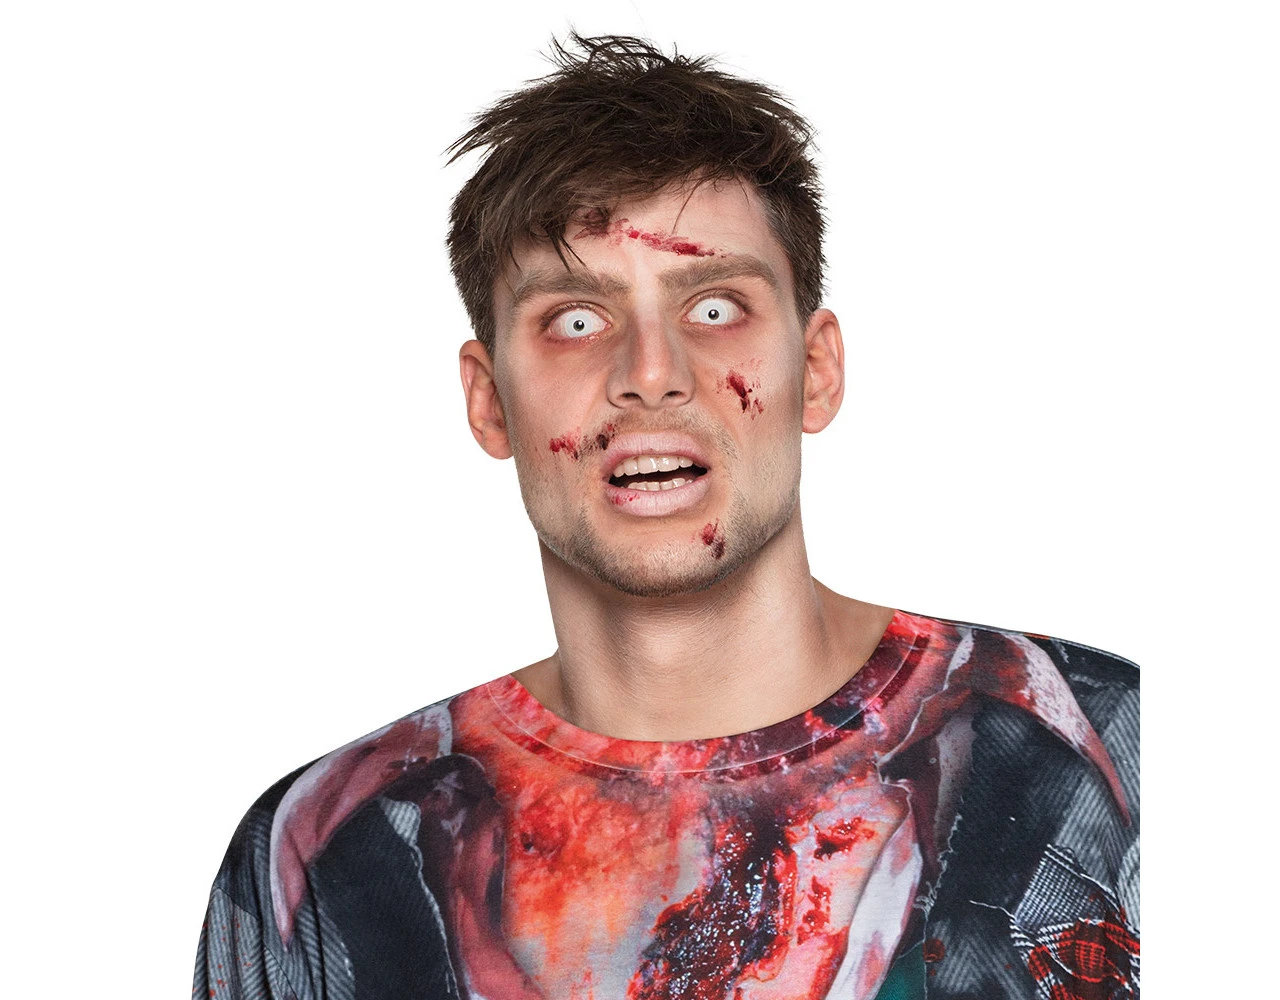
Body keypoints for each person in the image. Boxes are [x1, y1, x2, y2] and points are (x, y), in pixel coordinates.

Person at [193, 34, 1139, 1000]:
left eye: (716, 307)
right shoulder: (320, 861)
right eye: (575, 320)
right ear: (488, 401)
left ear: (815, 371)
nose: (651, 374)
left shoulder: (1115, 759)